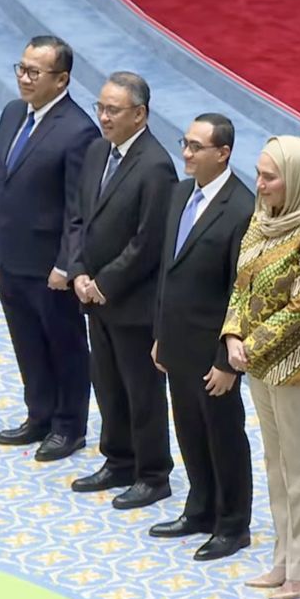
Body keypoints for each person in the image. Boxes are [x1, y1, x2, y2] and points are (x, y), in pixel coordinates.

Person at [222, 135, 300, 599]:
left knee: (298, 465)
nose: (260, 184)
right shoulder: (262, 217)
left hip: (293, 364)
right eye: (259, 174)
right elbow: (241, 286)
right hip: (254, 361)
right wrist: (232, 335)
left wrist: (249, 346)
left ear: (299, 179)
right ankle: (283, 557)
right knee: (274, 462)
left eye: (270, 177)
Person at [0, 35, 97, 462]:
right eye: (21, 68)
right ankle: (39, 414)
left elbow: (78, 208)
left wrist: (67, 264)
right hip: (11, 256)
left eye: (34, 72)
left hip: (50, 267)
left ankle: (69, 426)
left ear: (61, 79)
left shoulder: (79, 131)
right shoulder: (13, 113)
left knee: (64, 346)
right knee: (26, 341)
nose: (24, 78)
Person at [67, 72, 177, 510]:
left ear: (140, 114)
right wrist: (79, 271)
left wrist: (104, 283)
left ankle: (152, 474)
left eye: (113, 110)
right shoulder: (98, 151)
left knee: (141, 391)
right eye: (101, 108)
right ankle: (118, 460)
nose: (104, 117)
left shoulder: (156, 166)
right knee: (108, 384)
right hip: (94, 298)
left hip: (133, 303)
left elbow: (148, 242)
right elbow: (81, 217)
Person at [148, 113, 255, 561]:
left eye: (196, 146)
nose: (186, 153)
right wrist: (161, 334)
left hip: (214, 351)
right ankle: (200, 508)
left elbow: (242, 292)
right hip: (178, 342)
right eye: (185, 143)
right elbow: (167, 271)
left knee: (223, 436)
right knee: (189, 430)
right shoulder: (179, 194)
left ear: (223, 153)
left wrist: (228, 362)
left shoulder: (243, 209)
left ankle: (232, 524)